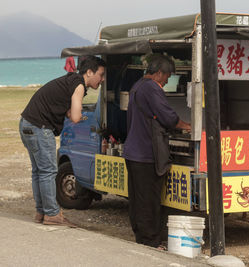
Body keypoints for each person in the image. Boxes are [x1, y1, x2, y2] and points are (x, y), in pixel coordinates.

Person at [19, 56, 106, 227]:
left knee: (39, 171)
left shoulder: (70, 80)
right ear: (89, 72)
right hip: (39, 127)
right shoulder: (79, 85)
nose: (102, 79)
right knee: (48, 171)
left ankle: (41, 212)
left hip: (26, 123)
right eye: (101, 74)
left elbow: (64, 110)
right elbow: (75, 117)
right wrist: (81, 115)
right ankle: (51, 214)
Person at [123, 54, 191, 249]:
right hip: (146, 153)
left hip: (133, 151)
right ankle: (151, 240)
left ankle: (141, 236)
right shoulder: (152, 88)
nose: (168, 80)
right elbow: (168, 117)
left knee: (137, 198)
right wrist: (186, 125)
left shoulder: (137, 86)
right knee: (149, 199)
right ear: (159, 73)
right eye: (167, 76)